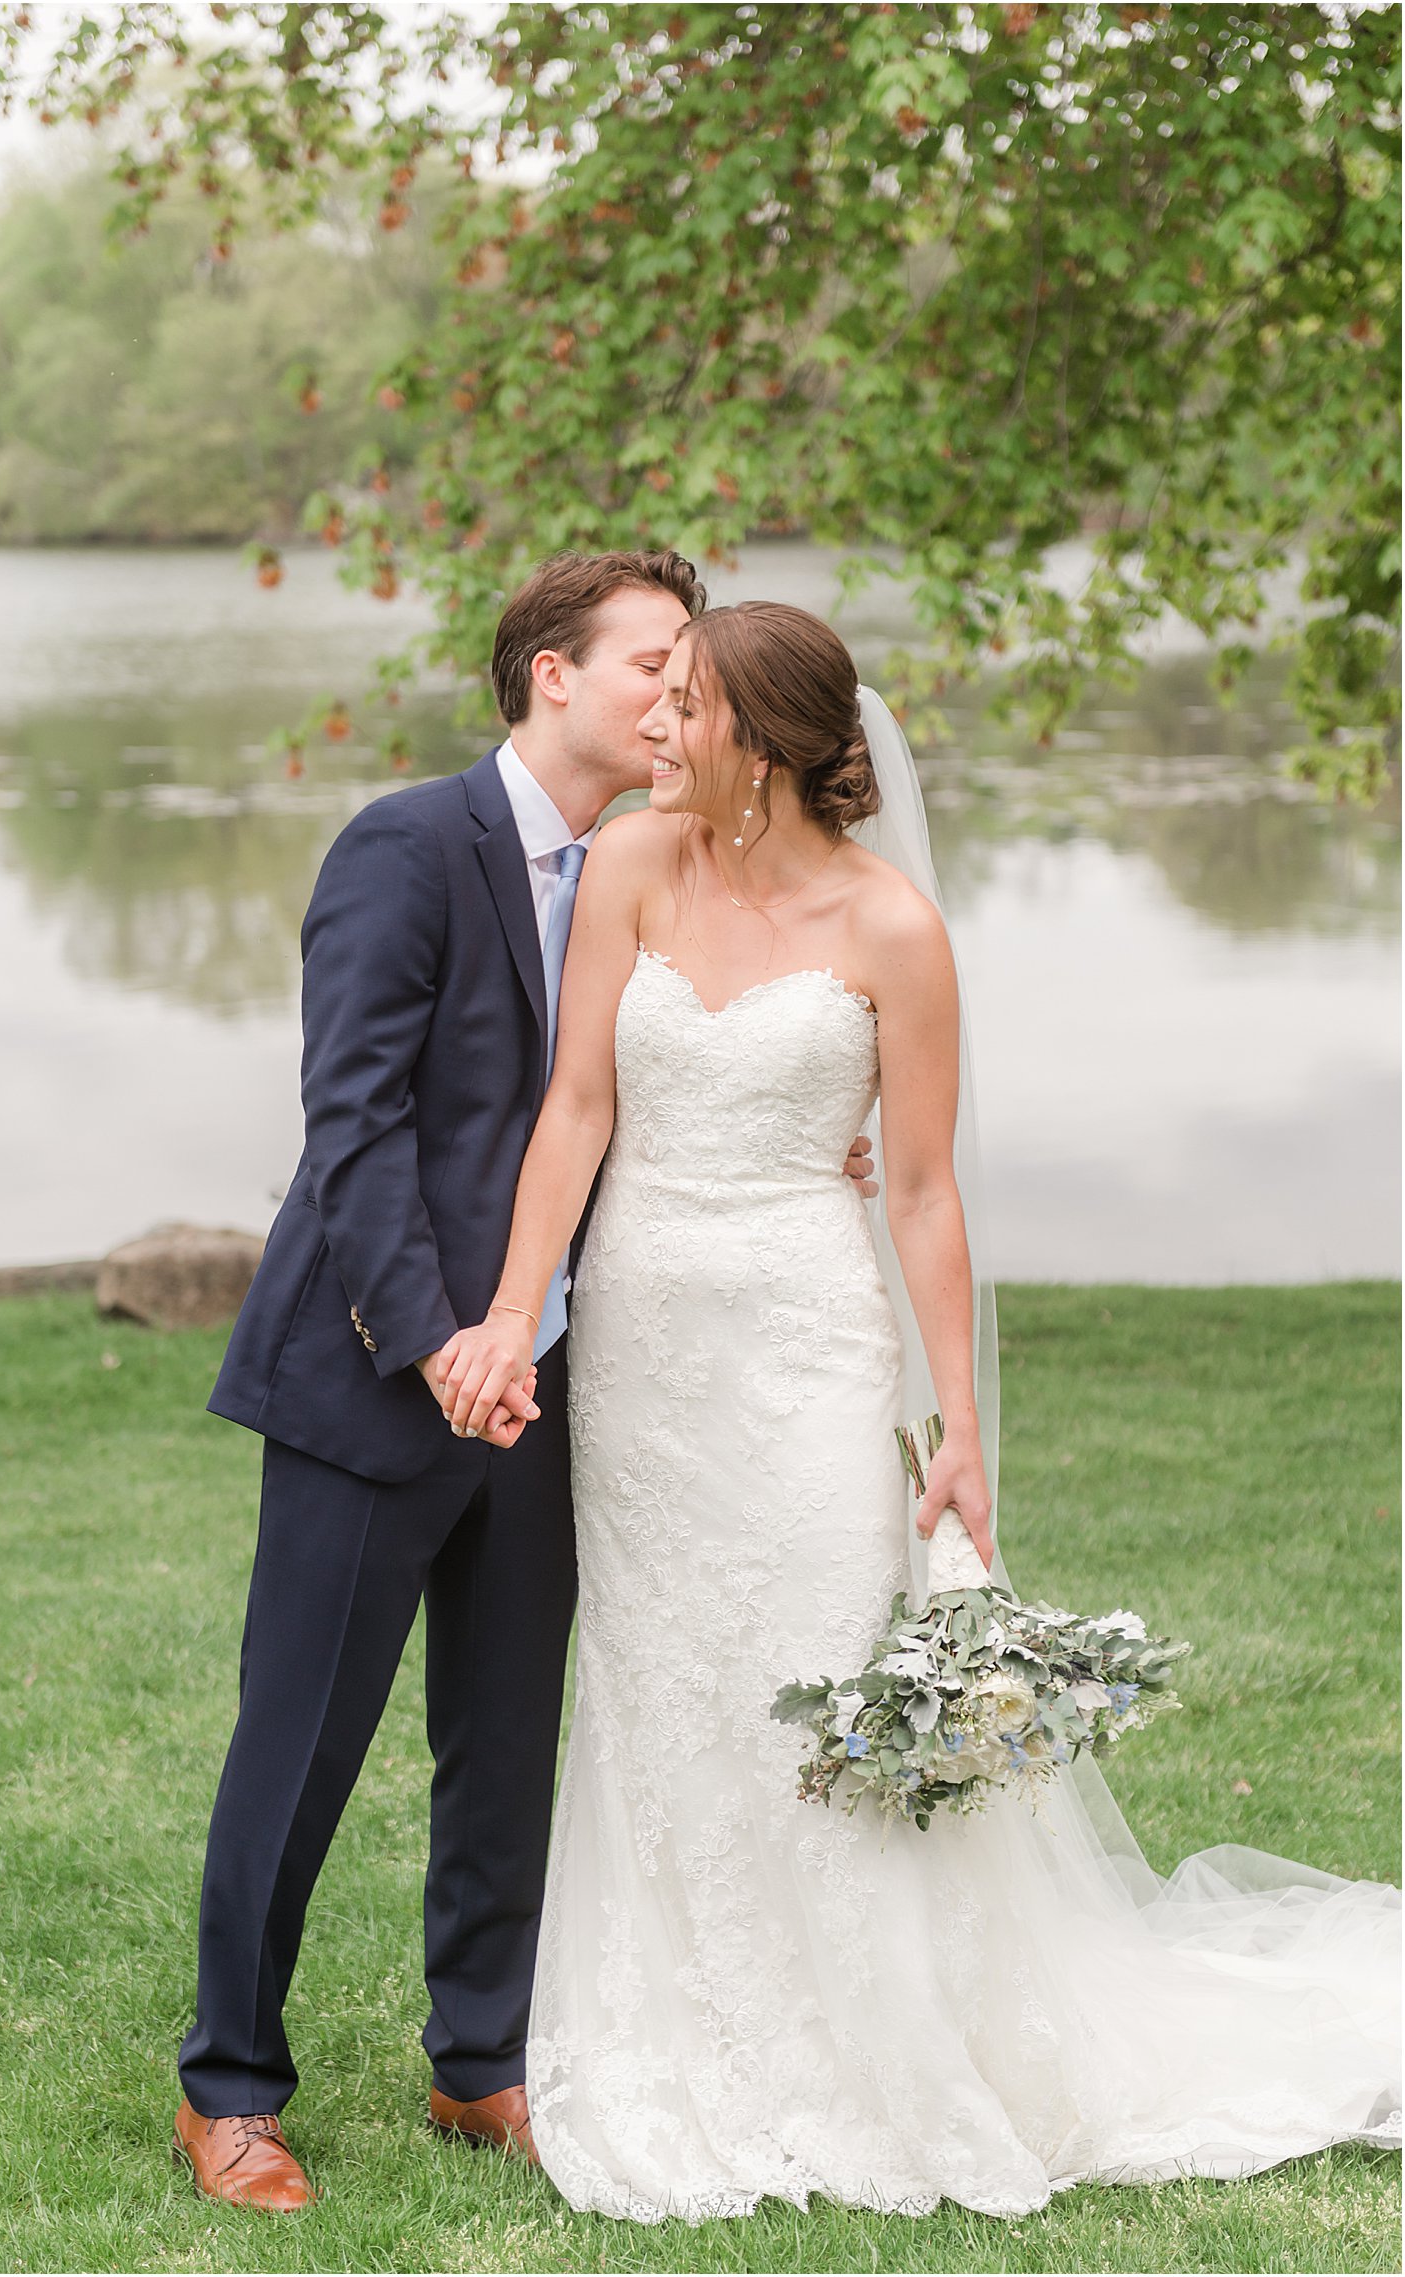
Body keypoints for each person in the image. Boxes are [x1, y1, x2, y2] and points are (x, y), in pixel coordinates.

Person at [436, 600, 1401, 2223]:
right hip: (653, 1349)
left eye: (690, 709)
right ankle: (686, 2022)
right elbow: (576, 1112)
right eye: (657, 700)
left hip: (814, 1349)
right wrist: (511, 1319)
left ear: (768, 740)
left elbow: (932, 1195)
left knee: (812, 1665)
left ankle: (871, 2045)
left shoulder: (892, 927)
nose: (659, 732)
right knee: (669, 1679)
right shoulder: (631, 870)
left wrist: (956, 1428)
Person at [170, 550, 882, 2208]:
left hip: (571, 1384)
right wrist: (437, 1347)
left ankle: (478, 2056)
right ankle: (229, 2086)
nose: (674, 696)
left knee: (505, 1735)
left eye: (689, 674)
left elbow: (661, 1095)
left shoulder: (675, 860)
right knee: (303, 1741)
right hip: (376, 1380)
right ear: (550, 675)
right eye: (651, 662)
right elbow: (353, 1128)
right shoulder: (409, 845)